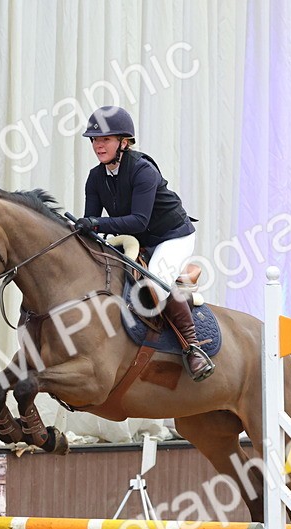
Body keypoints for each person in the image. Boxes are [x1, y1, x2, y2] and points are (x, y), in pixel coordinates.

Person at [75, 106, 214, 381]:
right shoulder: (95, 177)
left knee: (156, 284)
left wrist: (93, 223)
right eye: (94, 140)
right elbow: (92, 223)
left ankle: (194, 349)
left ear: (123, 142)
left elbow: (138, 221)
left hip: (172, 235)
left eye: (105, 139)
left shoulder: (143, 170)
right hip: (138, 240)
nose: (98, 145)